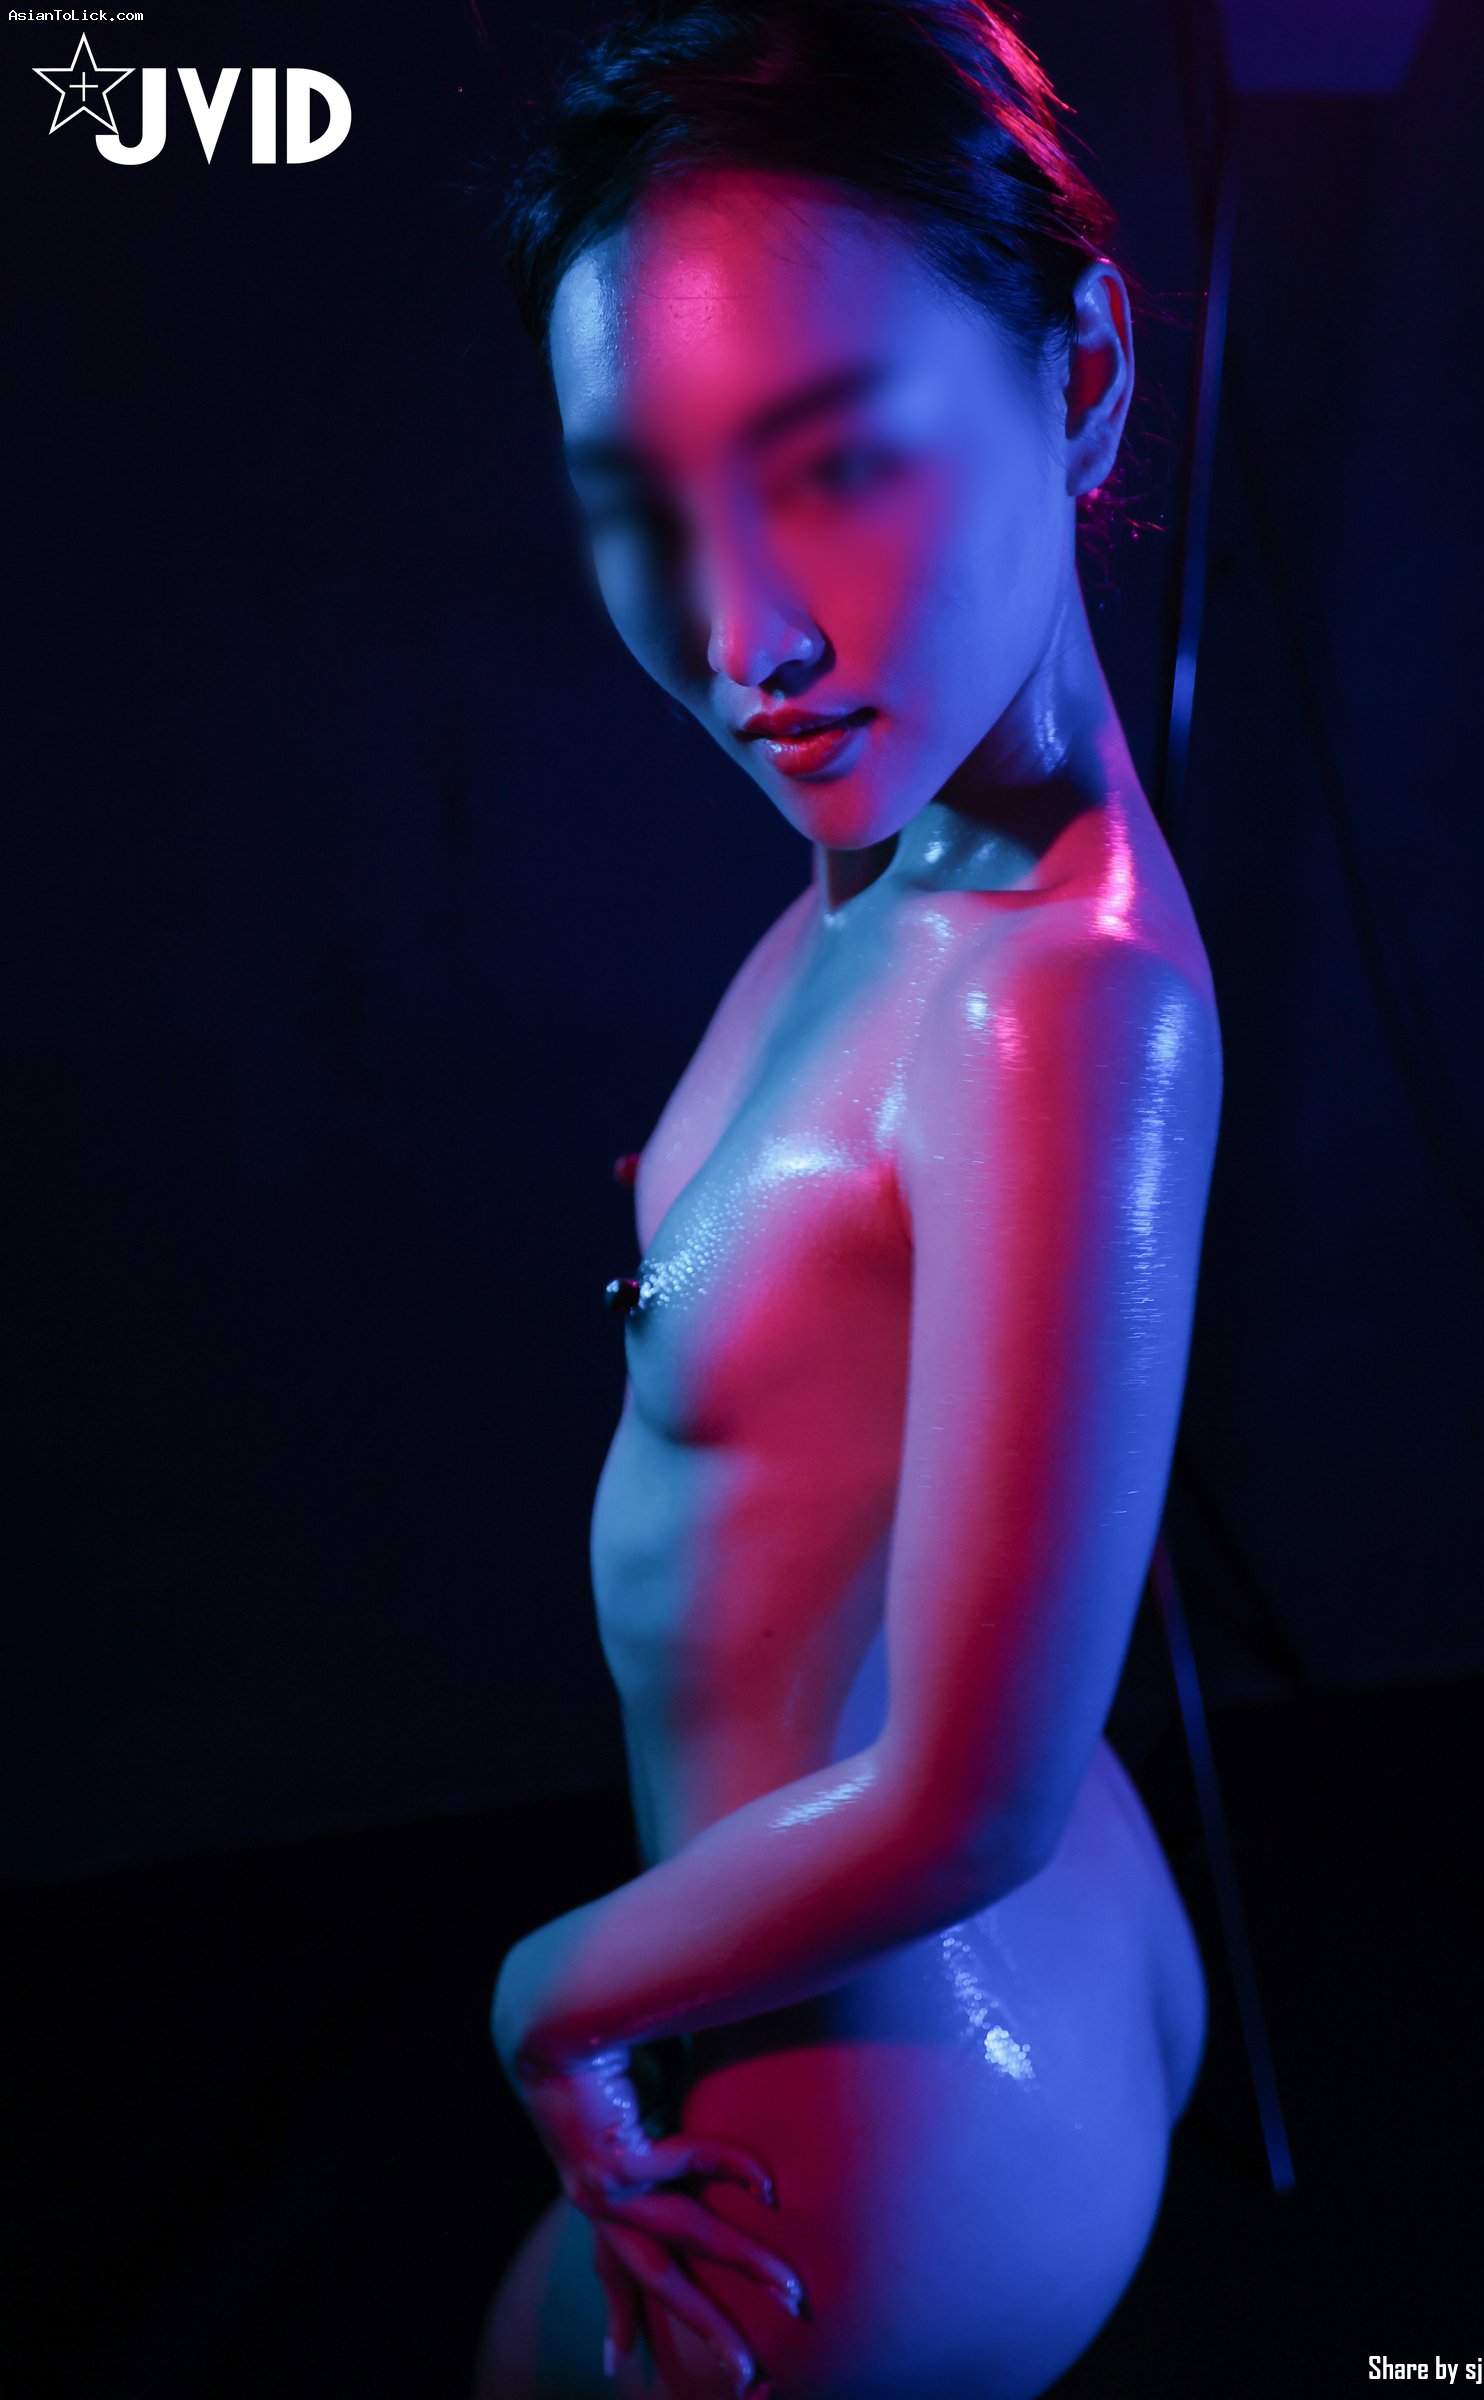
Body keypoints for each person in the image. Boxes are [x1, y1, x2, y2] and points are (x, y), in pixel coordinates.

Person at [475, 4, 1221, 2394]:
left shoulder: (1053, 1003)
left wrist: (544, 1994)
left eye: (834, 465)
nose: (741, 645)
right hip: (930, 1952)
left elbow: (971, 1801)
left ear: (1077, 372)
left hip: (891, 2099)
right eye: (641, 505)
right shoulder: (890, 858)